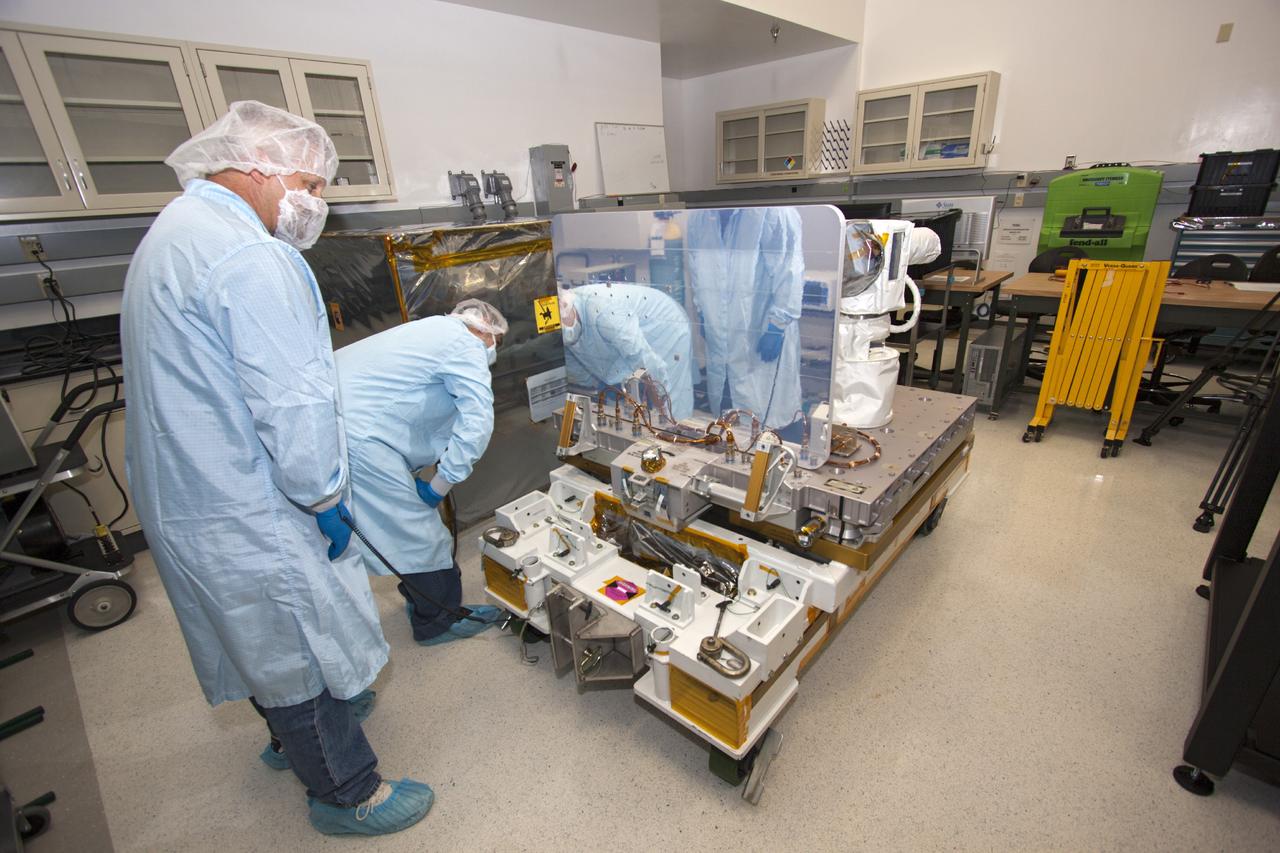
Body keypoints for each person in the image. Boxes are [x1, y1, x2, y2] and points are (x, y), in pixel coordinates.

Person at [121, 101, 431, 837]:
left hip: (194, 492)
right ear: (259, 166)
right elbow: (294, 400)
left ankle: (285, 736)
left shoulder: (178, 230)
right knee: (296, 639)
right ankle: (345, 790)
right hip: (248, 498)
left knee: (258, 630)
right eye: (311, 183)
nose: (315, 203)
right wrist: (324, 491)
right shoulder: (252, 257)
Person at [335, 300, 507, 644]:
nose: (493, 352)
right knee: (420, 534)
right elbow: (476, 425)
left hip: (336, 431)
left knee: (399, 529)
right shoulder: (465, 343)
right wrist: (439, 485)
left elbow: (411, 403)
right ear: (485, 329)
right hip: (362, 443)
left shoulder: (427, 331)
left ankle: (422, 600)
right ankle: (437, 620)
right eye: (495, 344)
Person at [684, 207, 805, 427]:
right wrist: (702, 312)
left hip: (762, 328)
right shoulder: (699, 216)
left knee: (767, 409)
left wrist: (778, 324)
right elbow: (696, 268)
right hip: (718, 328)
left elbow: (789, 270)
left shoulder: (774, 212)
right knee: (726, 407)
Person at [559, 283, 695, 421]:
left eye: (563, 323)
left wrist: (662, 407)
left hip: (665, 327)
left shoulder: (604, 310)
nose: (564, 333)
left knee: (671, 404)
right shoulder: (564, 331)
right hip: (633, 341)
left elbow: (644, 360)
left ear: (566, 305)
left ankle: (680, 437)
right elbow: (583, 379)